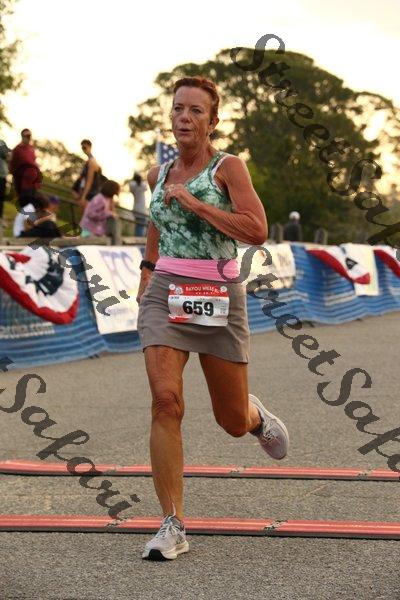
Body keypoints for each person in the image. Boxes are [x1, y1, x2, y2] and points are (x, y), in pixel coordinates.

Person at [136, 76, 289, 561]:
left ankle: (253, 416)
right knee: (165, 401)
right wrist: (147, 270)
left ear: (213, 121)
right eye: (178, 108)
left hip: (217, 291)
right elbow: (158, 223)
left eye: (196, 111)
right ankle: (172, 524)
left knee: (230, 420)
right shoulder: (159, 172)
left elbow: (257, 229)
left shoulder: (228, 167)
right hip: (166, 291)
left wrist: (196, 203)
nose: (184, 117)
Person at [9, 129, 42, 209]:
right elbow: (12, 165)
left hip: (33, 183)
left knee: (32, 207)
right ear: (22, 136)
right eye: (26, 136)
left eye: (29, 136)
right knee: (25, 206)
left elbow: (34, 162)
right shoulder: (17, 149)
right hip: (23, 184)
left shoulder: (31, 149)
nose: (28, 138)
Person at [73, 139, 102, 207]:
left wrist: (84, 196)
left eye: (85, 147)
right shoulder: (88, 161)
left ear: (90, 147)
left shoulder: (92, 162)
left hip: (91, 194)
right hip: (89, 192)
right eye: (82, 148)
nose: (83, 150)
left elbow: (89, 181)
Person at [128, 171, 148, 236]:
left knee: (138, 225)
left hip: (135, 207)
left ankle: (138, 236)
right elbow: (146, 187)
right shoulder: (142, 185)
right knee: (141, 225)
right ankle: (139, 238)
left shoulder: (132, 185)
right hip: (142, 209)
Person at [0, 139, 11, 221]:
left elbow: (8, 156)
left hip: (2, 176)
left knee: (1, 198)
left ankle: (1, 217)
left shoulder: (1, 143)